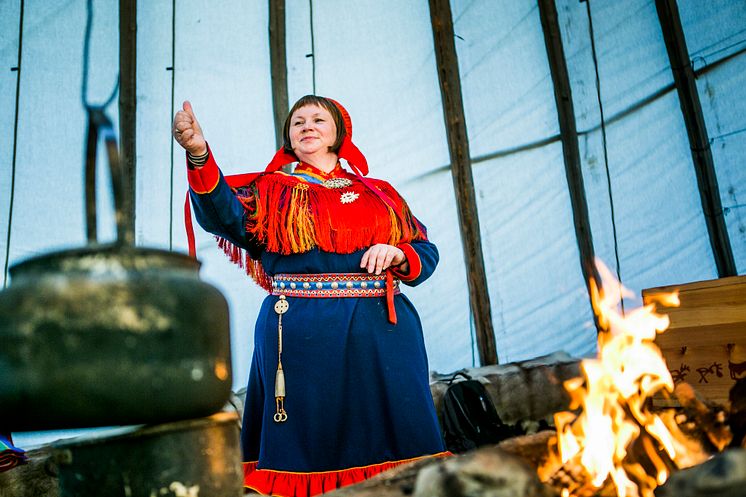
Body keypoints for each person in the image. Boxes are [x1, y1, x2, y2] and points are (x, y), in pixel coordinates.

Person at [173, 95, 448, 496]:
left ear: (339, 133)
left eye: (319, 119)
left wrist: (399, 252)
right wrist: (199, 153)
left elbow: (425, 250)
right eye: (298, 121)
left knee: (398, 443)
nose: (307, 126)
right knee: (312, 445)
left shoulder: (380, 194)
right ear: (288, 136)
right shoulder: (271, 190)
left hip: (383, 335)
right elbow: (222, 215)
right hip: (301, 333)